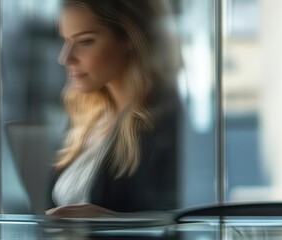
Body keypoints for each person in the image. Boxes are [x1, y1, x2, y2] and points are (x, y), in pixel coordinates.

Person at [46, 0, 182, 217]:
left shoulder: (162, 120)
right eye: (65, 41)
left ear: (130, 37)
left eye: (85, 41)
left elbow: (178, 218)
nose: (65, 58)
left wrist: (111, 221)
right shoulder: (86, 119)